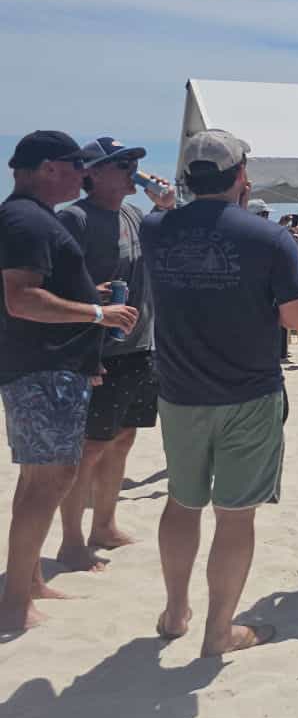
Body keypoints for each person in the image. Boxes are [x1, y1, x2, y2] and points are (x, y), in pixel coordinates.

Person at [141, 129, 298, 654]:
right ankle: (219, 631)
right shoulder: (270, 239)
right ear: (241, 175)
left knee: (181, 501)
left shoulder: (155, 231)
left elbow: (166, 217)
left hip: (178, 391)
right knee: (235, 515)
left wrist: (170, 206)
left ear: (189, 176)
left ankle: (175, 613)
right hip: (248, 392)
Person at [0, 132, 138, 632]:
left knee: (38, 479)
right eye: (76, 166)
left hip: (48, 366)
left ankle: (28, 582)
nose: (83, 175)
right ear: (49, 168)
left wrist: (86, 297)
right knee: (50, 480)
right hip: (42, 368)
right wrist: (98, 311)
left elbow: (38, 291)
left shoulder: (32, 218)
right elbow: (22, 299)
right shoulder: (26, 219)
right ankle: (14, 604)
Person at [55, 136, 175, 572]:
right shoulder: (74, 219)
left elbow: (171, 247)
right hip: (97, 350)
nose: (131, 169)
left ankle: (103, 525)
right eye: (121, 163)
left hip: (141, 346)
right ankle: (71, 542)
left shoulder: (134, 214)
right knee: (88, 448)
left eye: (132, 162)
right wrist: (91, 297)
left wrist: (165, 207)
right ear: (93, 173)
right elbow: (53, 283)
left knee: (122, 440)